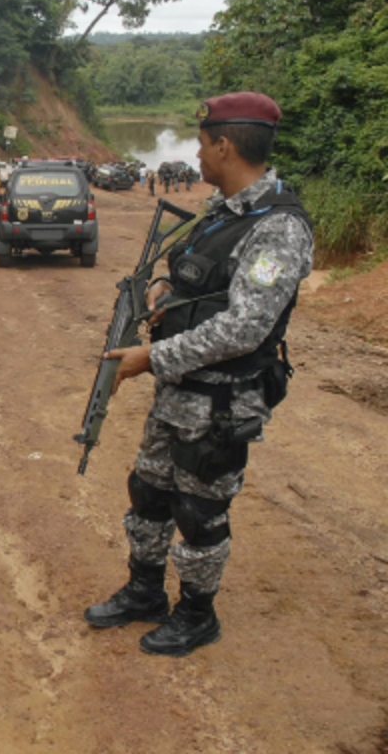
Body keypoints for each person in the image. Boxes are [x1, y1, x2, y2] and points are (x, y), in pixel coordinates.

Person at [83, 92, 314, 657]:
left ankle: (196, 614)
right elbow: (192, 278)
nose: (196, 153)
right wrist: (165, 293)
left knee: (200, 511)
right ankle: (144, 592)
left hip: (222, 401)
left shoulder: (278, 229)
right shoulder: (223, 211)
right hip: (178, 392)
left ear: (224, 145)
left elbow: (246, 327)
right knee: (150, 492)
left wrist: (151, 358)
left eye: (203, 142)